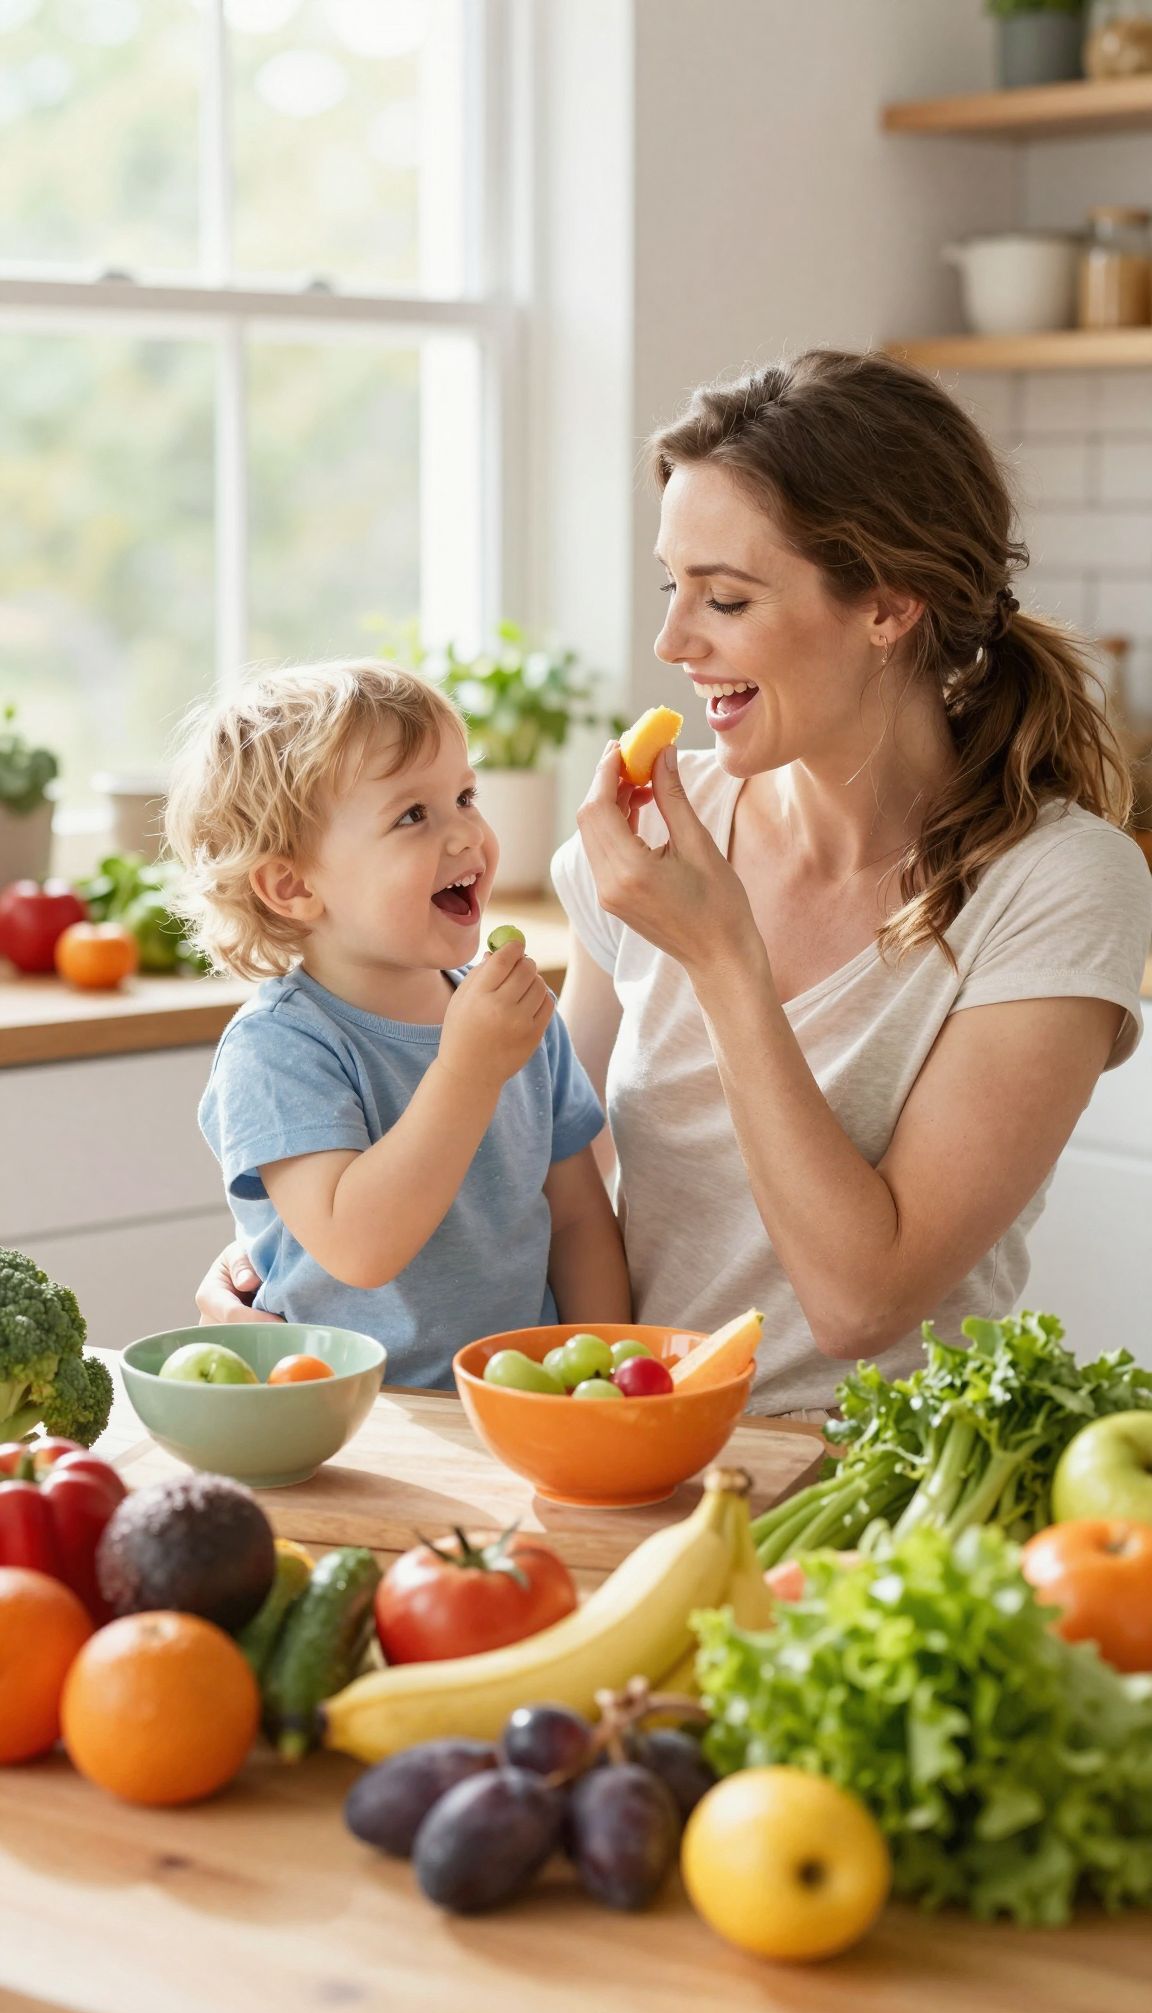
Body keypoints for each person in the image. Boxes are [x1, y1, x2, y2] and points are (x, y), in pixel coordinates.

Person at [199, 354, 1152, 1417]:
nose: (672, 641)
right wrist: (292, 1260)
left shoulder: (1057, 884)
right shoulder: (652, 825)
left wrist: (722, 956)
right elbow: (535, 1156)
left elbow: (860, 1302)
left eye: (726, 598)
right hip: (626, 1441)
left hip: (867, 1470)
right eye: (672, 586)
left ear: (888, 606)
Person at [166, 661, 629, 1389]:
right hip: (349, 1418)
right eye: (413, 815)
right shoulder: (278, 1049)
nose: (466, 835)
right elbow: (359, 1247)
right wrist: (468, 1070)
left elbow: (576, 1221)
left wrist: (608, 1382)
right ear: (293, 885)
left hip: (523, 1406)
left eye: (465, 797)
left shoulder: (515, 1019)